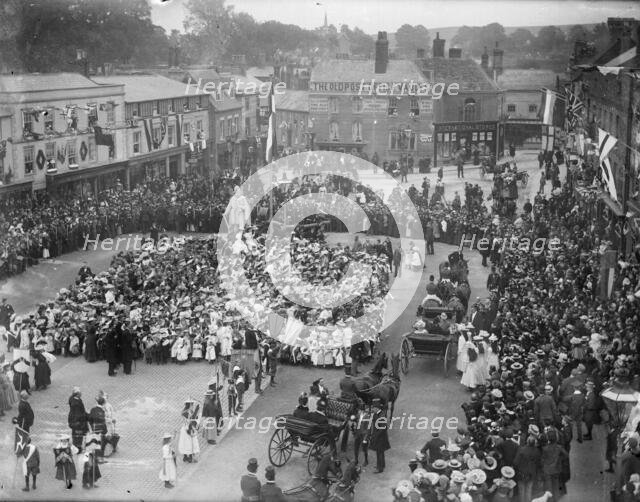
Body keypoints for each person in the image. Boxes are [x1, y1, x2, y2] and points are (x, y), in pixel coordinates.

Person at [368, 398, 390, 473]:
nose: (372, 409)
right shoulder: (377, 414)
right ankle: (381, 465)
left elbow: (384, 428)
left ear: (377, 408)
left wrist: (375, 436)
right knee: (380, 452)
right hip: (379, 437)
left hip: (381, 438)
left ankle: (380, 468)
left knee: (379, 453)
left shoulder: (381, 416)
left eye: (373, 408)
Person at [68, 387, 89, 452]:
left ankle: (76, 446)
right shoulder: (76, 403)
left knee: (75, 434)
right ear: (77, 394)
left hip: (73, 420)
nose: (81, 394)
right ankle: (78, 448)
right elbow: (79, 414)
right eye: (80, 393)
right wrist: (86, 416)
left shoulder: (72, 399)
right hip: (78, 422)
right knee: (78, 435)